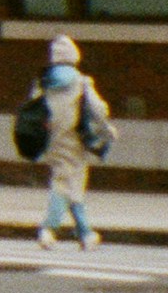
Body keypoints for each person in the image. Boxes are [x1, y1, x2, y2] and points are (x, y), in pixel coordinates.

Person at [32, 33, 113, 250]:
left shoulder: (44, 82)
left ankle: (86, 234)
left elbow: (34, 108)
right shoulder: (80, 82)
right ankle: (48, 230)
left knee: (72, 183)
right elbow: (98, 110)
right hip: (74, 141)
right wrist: (108, 130)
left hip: (52, 141)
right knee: (64, 184)